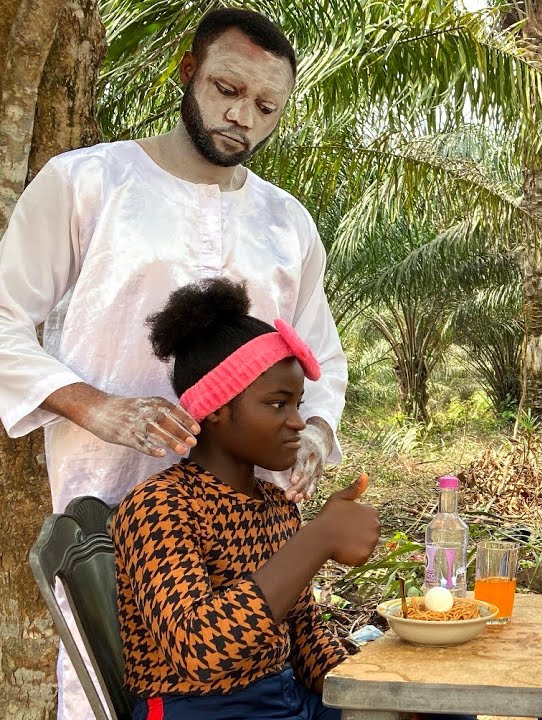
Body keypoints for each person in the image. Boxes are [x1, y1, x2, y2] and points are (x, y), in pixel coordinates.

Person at [0, 8, 346, 715]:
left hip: (246, 511)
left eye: (265, 106)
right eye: (226, 88)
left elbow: (322, 359)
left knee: (248, 661)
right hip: (109, 491)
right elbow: (4, 317)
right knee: (112, 683)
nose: (241, 116)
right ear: (188, 73)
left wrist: (311, 432)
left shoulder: (287, 222)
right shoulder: (87, 182)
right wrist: (93, 405)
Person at [112, 278, 379, 720]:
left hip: (286, 700)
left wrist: (376, 690)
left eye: (298, 404)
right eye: (277, 404)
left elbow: (305, 635)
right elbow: (197, 649)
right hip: (196, 709)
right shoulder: (158, 506)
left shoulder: (276, 505)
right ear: (215, 409)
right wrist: (317, 540)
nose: (298, 423)